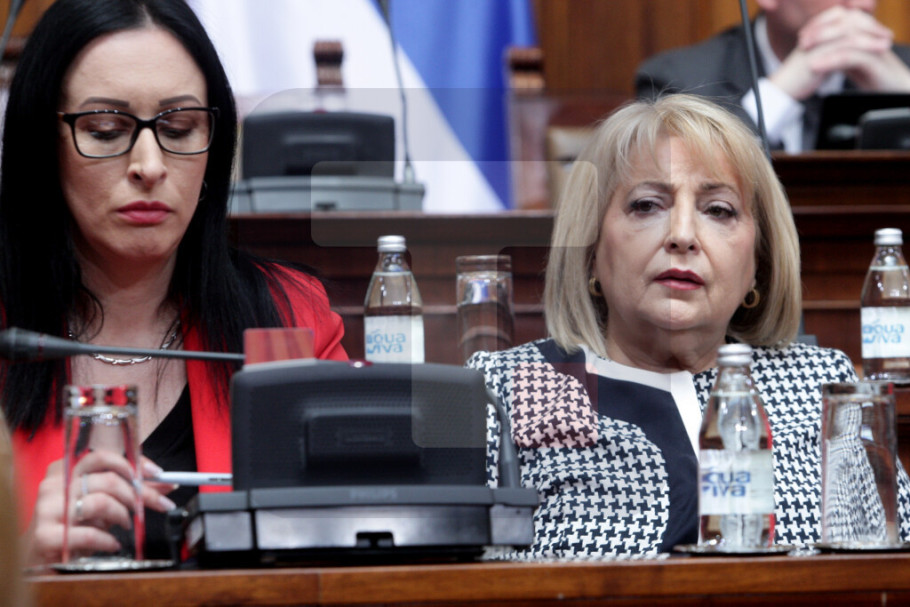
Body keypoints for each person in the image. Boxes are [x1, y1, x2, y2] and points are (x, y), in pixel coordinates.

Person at [468, 93, 910, 558]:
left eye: (718, 210)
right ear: (591, 250)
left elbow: (891, 564)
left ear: (757, 264)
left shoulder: (820, 386)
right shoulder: (508, 388)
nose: (681, 235)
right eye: (646, 205)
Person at [0, 0, 348, 566]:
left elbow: (358, 543)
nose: (150, 164)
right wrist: (16, 565)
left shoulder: (292, 319)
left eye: (178, 128)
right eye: (106, 130)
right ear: (43, 145)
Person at [635, 0, 910, 153]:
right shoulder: (679, 80)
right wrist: (777, 95)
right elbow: (679, 179)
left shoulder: (903, 68)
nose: (863, 4)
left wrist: (904, 94)